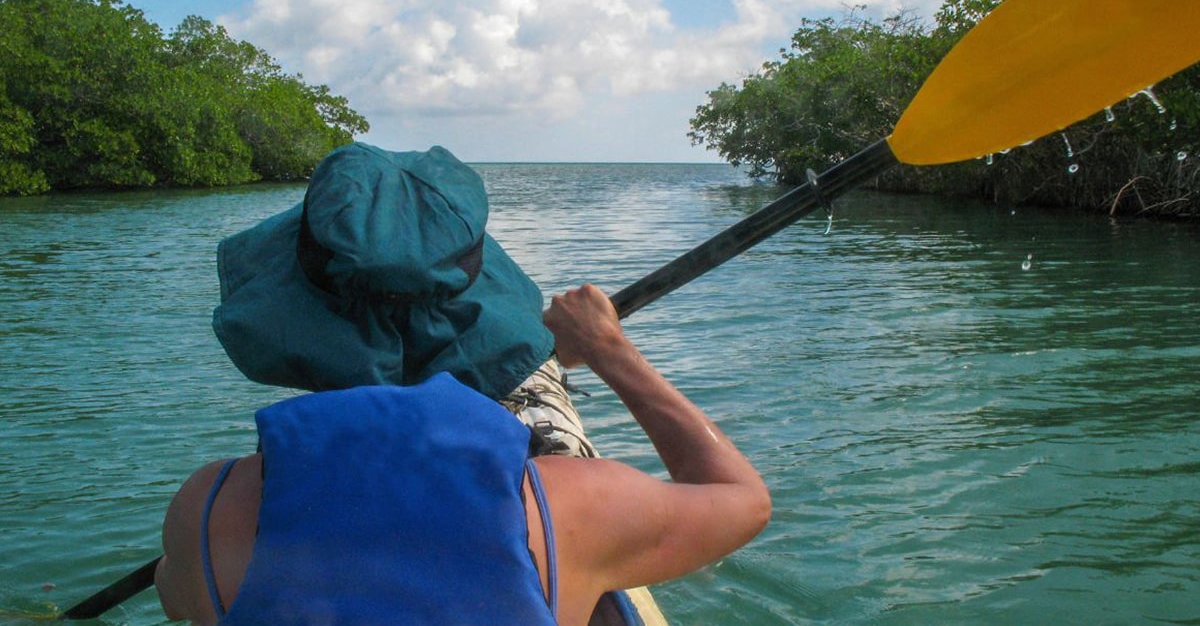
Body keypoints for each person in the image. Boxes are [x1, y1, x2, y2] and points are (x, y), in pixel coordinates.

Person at [155, 142, 769, 623]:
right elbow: (743, 501)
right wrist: (611, 351)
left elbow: (174, 596)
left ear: (292, 320)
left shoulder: (207, 509)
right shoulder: (576, 505)